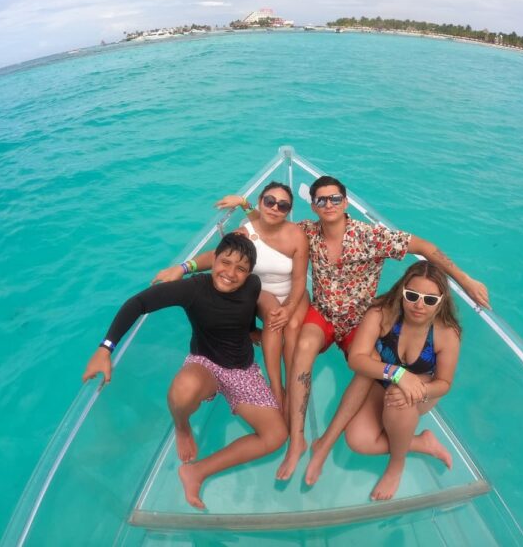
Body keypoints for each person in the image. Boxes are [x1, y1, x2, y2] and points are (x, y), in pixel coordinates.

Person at [244, 175, 490, 480]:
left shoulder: (371, 237)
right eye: (321, 200)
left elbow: (424, 246)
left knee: (366, 367)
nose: (329, 204)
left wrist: (465, 280)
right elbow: (271, 222)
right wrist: (245, 206)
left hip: (358, 320)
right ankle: (298, 441)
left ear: (345, 202)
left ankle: (324, 446)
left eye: (335, 198)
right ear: (314, 205)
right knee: (303, 348)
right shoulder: (306, 232)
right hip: (322, 314)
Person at [82, 233, 288, 509]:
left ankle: (196, 471)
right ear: (213, 260)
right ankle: (182, 427)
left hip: (242, 369)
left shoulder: (252, 285)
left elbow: (245, 311)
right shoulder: (193, 289)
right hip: (206, 364)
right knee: (183, 390)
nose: (230, 273)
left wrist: (251, 331)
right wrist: (105, 349)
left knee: (276, 436)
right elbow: (138, 303)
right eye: (225, 262)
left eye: (241, 268)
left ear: (249, 272)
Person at [303, 261, 460, 500]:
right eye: (412, 295)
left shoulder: (446, 334)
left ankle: (396, 466)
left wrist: (418, 389)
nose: (419, 305)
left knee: (401, 396)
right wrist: (398, 374)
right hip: (385, 381)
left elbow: (444, 383)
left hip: (421, 391)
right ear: (402, 291)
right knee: (358, 441)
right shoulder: (381, 313)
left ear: (441, 302)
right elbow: (356, 359)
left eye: (430, 300)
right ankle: (421, 443)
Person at [154, 182, 309, 413]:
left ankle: (294, 385)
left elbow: (299, 281)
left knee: (293, 326)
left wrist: (291, 307)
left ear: (288, 211)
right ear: (260, 201)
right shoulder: (245, 233)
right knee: (275, 316)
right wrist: (184, 267)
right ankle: (277, 387)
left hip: (294, 292)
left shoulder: (297, 235)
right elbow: (217, 257)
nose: (275, 207)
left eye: (283, 205)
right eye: (269, 201)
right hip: (261, 292)